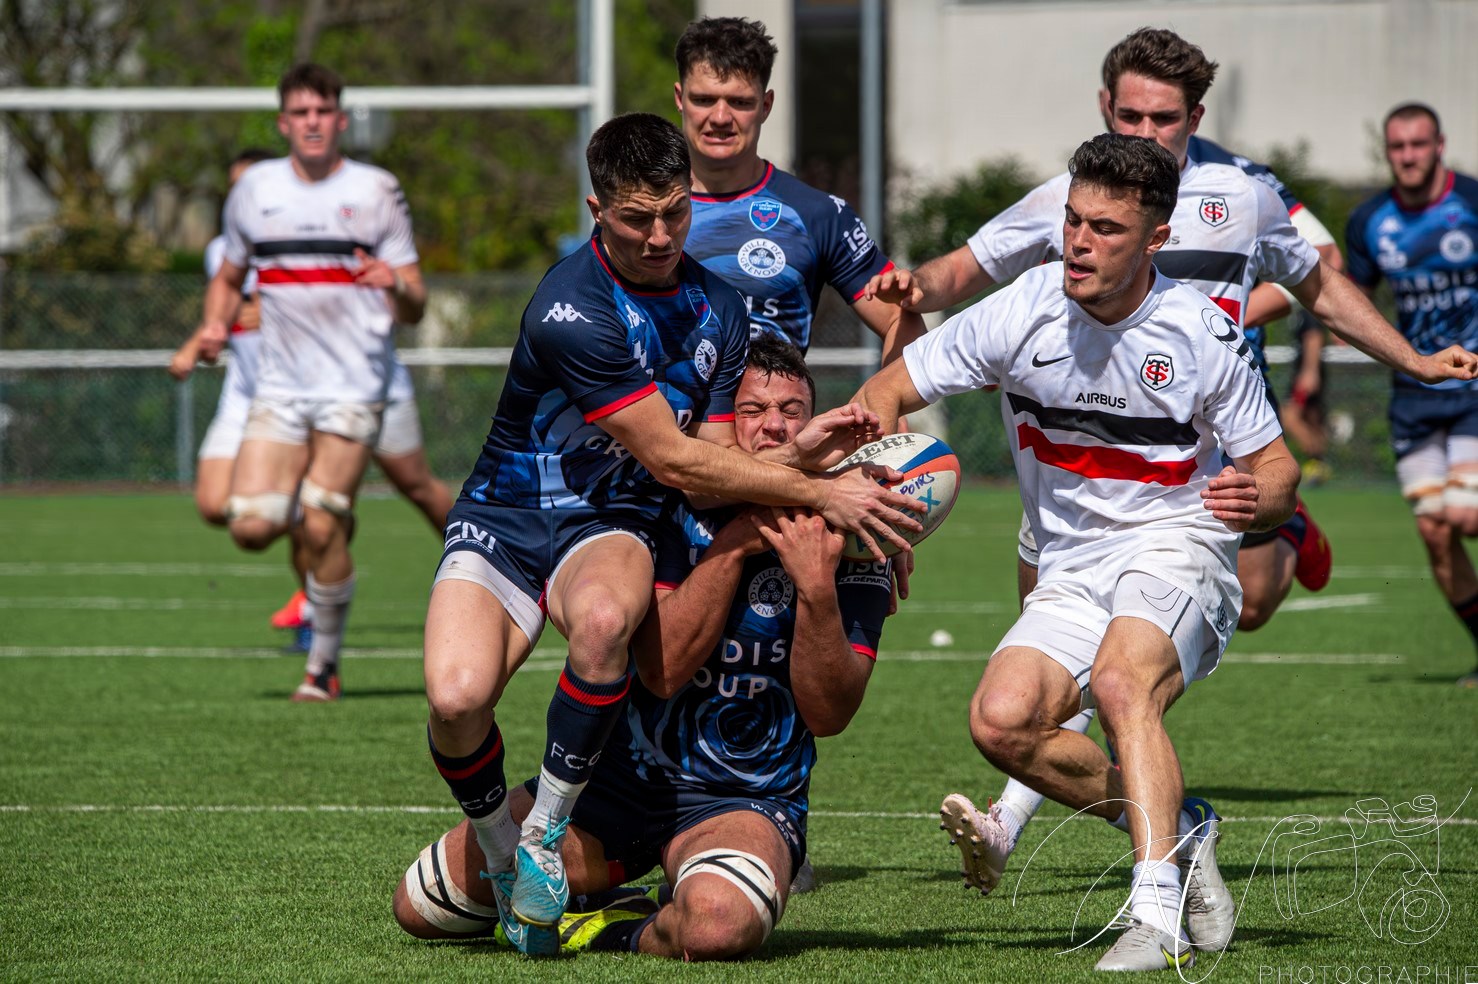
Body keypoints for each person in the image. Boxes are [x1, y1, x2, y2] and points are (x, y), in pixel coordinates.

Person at [866, 27, 1478, 900]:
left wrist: (1410, 358)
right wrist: (913, 288)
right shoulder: (1066, 201)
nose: (1146, 134)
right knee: (1051, 688)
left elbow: (1323, 285)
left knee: (1141, 668)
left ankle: (1116, 869)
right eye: (1129, 116)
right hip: (1067, 483)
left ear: (1196, 118)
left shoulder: (1245, 197)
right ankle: (1119, 828)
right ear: (1104, 108)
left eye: (1164, 119)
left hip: (1204, 472)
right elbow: (963, 271)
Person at [422, 111, 921, 956]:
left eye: (676, 212)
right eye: (636, 218)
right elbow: (674, 457)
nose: (660, 236)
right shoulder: (571, 306)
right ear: (596, 210)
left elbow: (718, 463)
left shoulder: (718, 306)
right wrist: (822, 492)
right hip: (507, 518)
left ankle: (542, 835)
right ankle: (507, 857)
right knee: (456, 700)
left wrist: (818, 469)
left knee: (606, 625)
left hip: (610, 519)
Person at [855, 133, 1303, 970]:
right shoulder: (1020, 309)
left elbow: (1278, 469)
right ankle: (1182, 828)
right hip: (1071, 562)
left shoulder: (1202, 332)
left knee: (1122, 682)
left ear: (1156, 239)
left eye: (1106, 228)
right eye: (1072, 221)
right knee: (1001, 722)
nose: (1079, 242)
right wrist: (874, 497)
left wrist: (1260, 497)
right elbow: (885, 391)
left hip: (1180, 543)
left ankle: (1155, 915)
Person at [397, 334, 889, 958]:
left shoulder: (854, 533)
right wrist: (736, 543)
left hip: (744, 795)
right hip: (615, 784)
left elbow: (830, 713)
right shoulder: (662, 504)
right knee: (421, 906)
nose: (774, 426)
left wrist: (817, 588)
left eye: (792, 411)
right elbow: (662, 670)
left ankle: (612, 926)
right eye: (752, 410)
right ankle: (603, 885)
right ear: (718, 423)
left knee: (714, 927)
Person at [192, 63, 427, 702]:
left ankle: (322, 667)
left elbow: (416, 304)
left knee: (321, 526)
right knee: (250, 528)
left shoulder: (376, 190)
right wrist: (213, 325)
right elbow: (228, 276)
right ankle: (324, 505)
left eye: (323, 111)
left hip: (355, 386)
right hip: (280, 389)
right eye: (301, 113)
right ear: (283, 123)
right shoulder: (254, 190)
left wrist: (396, 284)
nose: (313, 122)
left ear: (340, 119)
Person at [172, 151, 454, 653]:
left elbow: (370, 300)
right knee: (233, 510)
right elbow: (229, 301)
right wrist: (203, 338)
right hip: (272, 391)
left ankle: (482, 562)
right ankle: (318, 574)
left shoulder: (340, 218)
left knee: (414, 485)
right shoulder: (227, 249)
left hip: (361, 386)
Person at [673, 16, 925, 362]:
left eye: (740, 102)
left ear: (766, 105)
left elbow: (900, 319)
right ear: (680, 98)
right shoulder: (639, 210)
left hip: (774, 399)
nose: (720, 117)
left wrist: (886, 391)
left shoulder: (818, 213)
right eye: (704, 99)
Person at [1347, 102, 1478, 688]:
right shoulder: (1369, 221)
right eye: (1397, 147)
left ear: (1439, 145)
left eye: (1418, 145)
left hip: (1474, 387)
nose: (1407, 156)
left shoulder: (1471, 203)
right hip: (1414, 395)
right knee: (1434, 531)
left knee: (1465, 514)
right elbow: (1348, 299)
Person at [1280, 308, 1334, 486]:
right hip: (1304, 373)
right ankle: (1318, 465)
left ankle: (1318, 462)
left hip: (1306, 375)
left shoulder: (1309, 311)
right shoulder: (1301, 311)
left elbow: (1314, 338)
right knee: (1312, 420)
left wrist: (1310, 372)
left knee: (1288, 417)